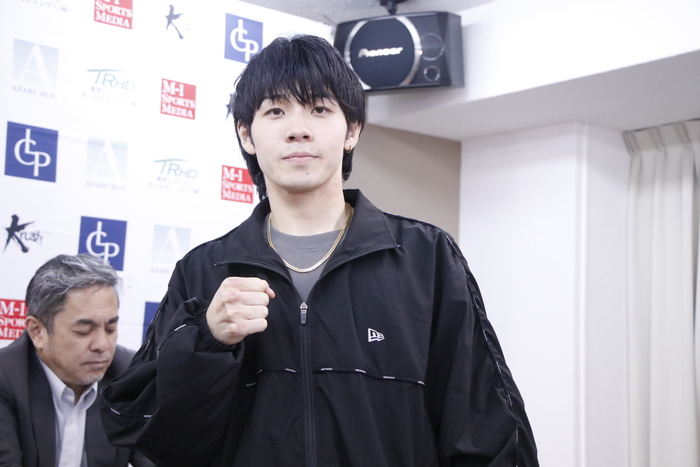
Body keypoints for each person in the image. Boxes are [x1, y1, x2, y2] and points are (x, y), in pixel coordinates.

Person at [100, 35, 539, 466]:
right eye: (276, 111)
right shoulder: (203, 271)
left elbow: (489, 431)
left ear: (352, 131)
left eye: (320, 109)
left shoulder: (427, 258)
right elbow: (145, 431)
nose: (298, 129)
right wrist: (207, 341)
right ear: (246, 134)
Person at [0, 254, 153, 467]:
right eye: (83, 331)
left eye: (110, 329)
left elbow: (154, 459)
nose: (102, 344)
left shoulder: (130, 376)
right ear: (37, 331)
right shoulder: (5, 377)